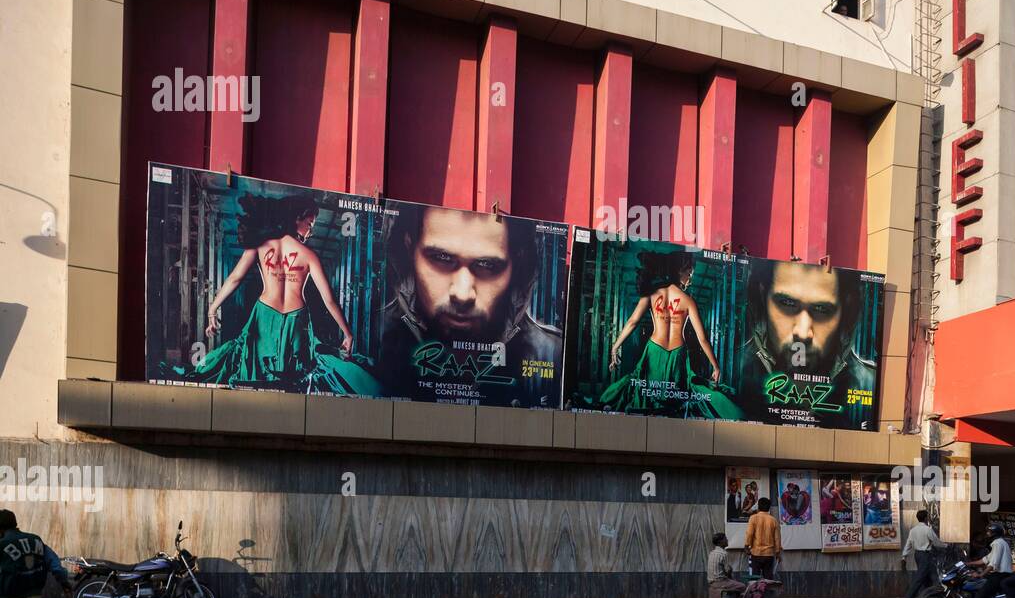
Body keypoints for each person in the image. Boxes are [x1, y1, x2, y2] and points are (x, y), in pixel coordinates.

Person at [172, 193, 381, 395]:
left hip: (264, 315)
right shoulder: (309, 255)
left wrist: (212, 308)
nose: (311, 231)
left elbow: (235, 278)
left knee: (255, 373)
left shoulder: (260, 245)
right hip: (297, 319)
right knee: (295, 380)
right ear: (297, 218)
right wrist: (347, 333)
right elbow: (329, 300)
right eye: (310, 223)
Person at [381, 204, 562, 405]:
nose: (463, 294)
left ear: (517, 263)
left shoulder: (552, 355)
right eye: (441, 258)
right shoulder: (374, 337)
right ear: (409, 247)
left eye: (487, 265)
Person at [601, 251, 741, 419]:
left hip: (654, 351)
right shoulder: (688, 301)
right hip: (678, 354)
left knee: (646, 392)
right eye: (689, 273)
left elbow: (632, 322)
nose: (691, 278)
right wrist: (715, 366)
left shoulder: (651, 294)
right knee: (678, 395)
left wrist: (615, 347)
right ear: (679, 271)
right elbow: (702, 338)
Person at [738, 261, 875, 427]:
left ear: (845, 310)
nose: (803, 333)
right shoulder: (732, 373)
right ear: (762, 297)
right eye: (787, 303)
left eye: (821, 309)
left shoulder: (869, 385)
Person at [961, 524, 1015, 598]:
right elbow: (986, 559)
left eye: (989, 532)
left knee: (980, 595)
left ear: (994, 533)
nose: (987, 534)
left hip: (999, 575)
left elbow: (993, 564)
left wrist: (981, 574)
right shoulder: (999, 543)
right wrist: (969, 563)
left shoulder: (997, 543)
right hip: (1000, 574)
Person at [901, 509, 946, 598]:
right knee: (919, 578)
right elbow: (936, 542)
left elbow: (908, 544)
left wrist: (904, 556)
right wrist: (946, 545)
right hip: (926, 556)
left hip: (918, 555)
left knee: (933, 576)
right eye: (927, 516)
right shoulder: (927, 529)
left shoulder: (913, 530)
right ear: (926, 518)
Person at [706, 532, 746, 598]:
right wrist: (730, 573)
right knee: (742, 586)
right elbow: (728, 571)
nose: (727, 540)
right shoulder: (723, 554)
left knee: (735, 584)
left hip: (711, 581)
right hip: (720, 582)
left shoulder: (712, 553)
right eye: (725, 539)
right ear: (720, 542)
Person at [743, 497, 782, 579]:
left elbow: (749, 534)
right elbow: (777, 538)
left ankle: (756, 591)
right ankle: (767, 591)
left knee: (755, 578)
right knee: (768, 578)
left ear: (758, 507)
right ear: (768, 508)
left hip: (756, 553)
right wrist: (778, 553)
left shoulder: (753, 518)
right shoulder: (773, 520)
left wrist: (746, 546)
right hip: (769, 554)